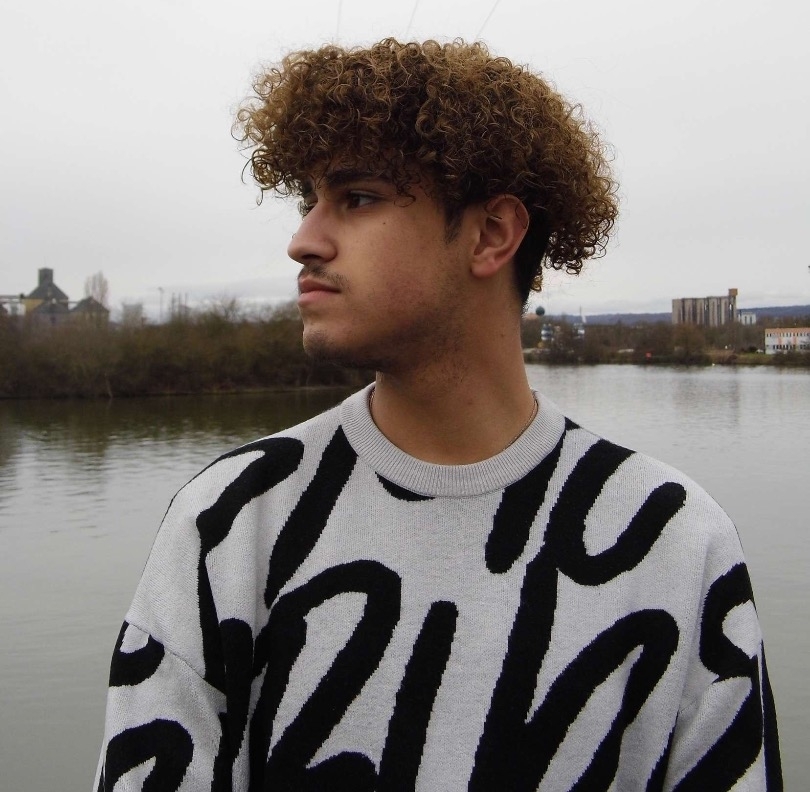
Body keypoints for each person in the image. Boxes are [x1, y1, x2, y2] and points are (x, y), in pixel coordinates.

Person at [95, 39, 781, 791]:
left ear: (491, 235)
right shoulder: (229, 522)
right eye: (308, 201)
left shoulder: (675, 542)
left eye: (357, 198)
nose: (302, 241)